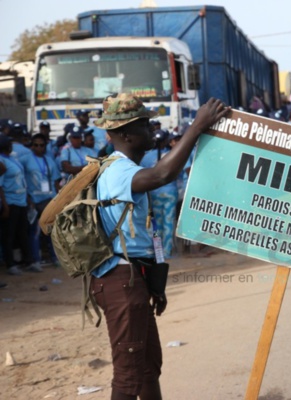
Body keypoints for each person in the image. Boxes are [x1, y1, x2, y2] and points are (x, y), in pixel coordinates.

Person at [90, 93, 228, 400]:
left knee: (148, 368)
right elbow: (163, 174)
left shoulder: (121, 167)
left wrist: (155, 283)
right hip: (121, 282)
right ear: (125, 134)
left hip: (133, 278)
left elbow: (145, 237)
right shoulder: (118, 170)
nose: (153, 130)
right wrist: (197, 127)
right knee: (128, 377)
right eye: (145, 125)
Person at [23, 133, 61, 267]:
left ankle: (54, 257)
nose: (38, 148)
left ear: (45, 146)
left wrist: (59, 199)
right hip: (34, 200)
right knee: (35, 232)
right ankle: (36, 260)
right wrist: (28, 200)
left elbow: (56, 181)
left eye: (41, 145)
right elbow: (22, 181)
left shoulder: (49, 160)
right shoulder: (25, 160)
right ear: (31, 146)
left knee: (51, 231)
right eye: (35, 145)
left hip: (49, 200)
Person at [140, 129, 178, 258]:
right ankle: (167, 252)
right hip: (170, 192)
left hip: (154, 193)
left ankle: (158, 252)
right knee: (168, 223)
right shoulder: (172, 155)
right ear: (166, 140)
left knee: (156, 224)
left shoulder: (146, 157)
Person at [0, 135, 34, 275]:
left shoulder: (12, 158)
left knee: (23, 233)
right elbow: (0, 186)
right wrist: (5, 205)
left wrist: (27, 198)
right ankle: (10, 264)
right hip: (11, 201)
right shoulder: (1, 161)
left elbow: (21, 179)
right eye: (9, 143)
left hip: (21, 200)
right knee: (9, 234)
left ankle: (28, 261)